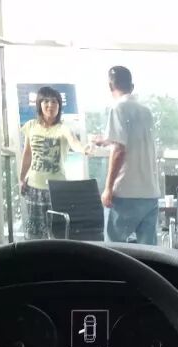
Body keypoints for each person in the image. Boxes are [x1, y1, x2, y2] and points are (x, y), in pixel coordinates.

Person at [91, 66, 160, 245]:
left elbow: (119, 150)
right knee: (150, 253)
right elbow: (134, 140)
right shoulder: (146, 111)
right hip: (149, 192)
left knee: (114, 251)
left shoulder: (118, 108)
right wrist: (106, 140)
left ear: (110, 86)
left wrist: (108, 188)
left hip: (125, 193)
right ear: (132, 86)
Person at [19, 86, 86, 240]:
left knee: (58, 233)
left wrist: (84, 149)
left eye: (55, 102)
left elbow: (74, 142)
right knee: (35, 234)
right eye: (46, 101)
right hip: (34, 187)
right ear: (39, 104)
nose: (50, 105)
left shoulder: (63, 128)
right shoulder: (31, 125)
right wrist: (21, 178)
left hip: (57, 189)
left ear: (59, 106)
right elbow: (27, 154)